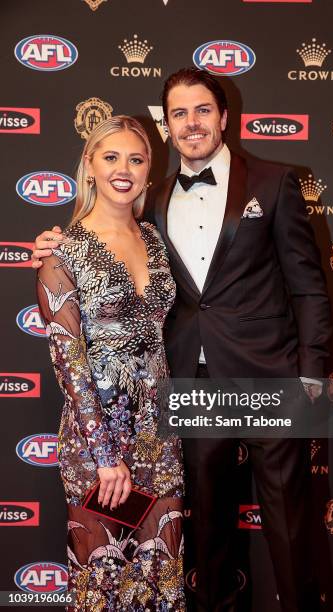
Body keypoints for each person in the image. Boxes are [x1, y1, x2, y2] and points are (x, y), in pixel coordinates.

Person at [33, 68, 331, 612]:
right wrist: (57, 244)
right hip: (186, 389)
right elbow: (96, 258)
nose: (191, 122)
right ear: (166, 126)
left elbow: (310, 287)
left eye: (201, 110)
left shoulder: (274, 181)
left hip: (268, 379)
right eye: (178, 114)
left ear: (223, 116)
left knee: (289, 526)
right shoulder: (157, 203)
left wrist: (309, 373)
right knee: (206, 531)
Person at [35, 115, 185, 611]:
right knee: (101, 586)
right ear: (90, 167)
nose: (125, 169)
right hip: (97, 443)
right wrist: (103, 455)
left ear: (148, 172)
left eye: (137, 159)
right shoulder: (64, 253)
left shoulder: (157, 244)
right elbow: (69, 364)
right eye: (111, 157)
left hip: (159, 439)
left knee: (161, 579)